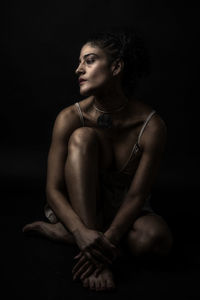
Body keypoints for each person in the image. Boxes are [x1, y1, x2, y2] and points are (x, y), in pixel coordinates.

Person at [23, 27, 173, 292]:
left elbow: (137, 196)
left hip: (122, 208)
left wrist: (110, 237)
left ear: (116, 67)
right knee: (83, 138)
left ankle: (71, 234)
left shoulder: (151, 126)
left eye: (89, 60)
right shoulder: (69, 118)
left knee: (156, 240)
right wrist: (85, 237)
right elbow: (53, 190)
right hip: (78, 201)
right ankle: (84, 234)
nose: (78, 69)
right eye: (79, 62)